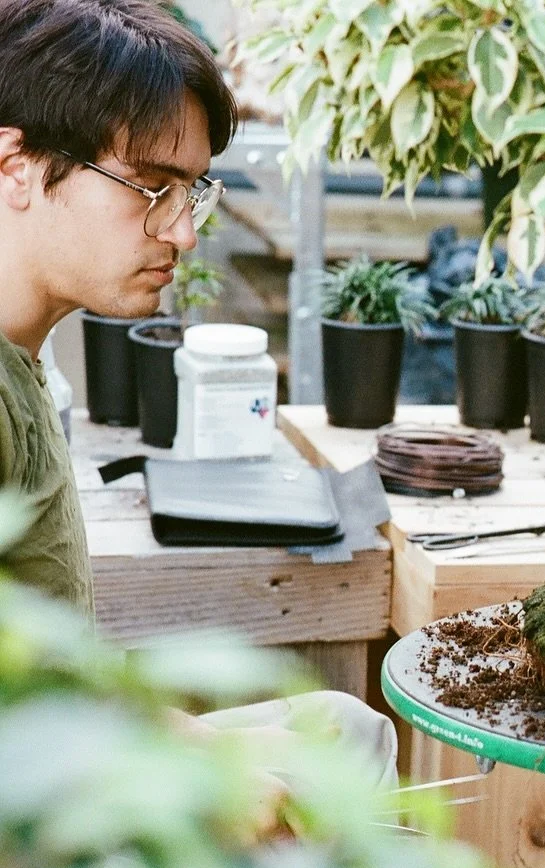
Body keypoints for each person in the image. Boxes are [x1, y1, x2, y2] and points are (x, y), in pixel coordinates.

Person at [0, 0, 396, 811]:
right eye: (151, 187)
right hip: (39, 820)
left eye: (192, 192)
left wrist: (190, 743)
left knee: (348, 732)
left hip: (76, 745)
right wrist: (223, 793)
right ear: (16, 168)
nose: (182, 233)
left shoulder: (33, 367)